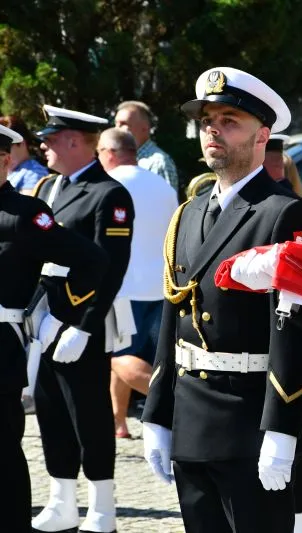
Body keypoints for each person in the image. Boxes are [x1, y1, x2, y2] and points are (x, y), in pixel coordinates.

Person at [141, 66, 302, 533]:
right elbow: (173, 315)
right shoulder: (189, 213)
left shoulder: (285, 213)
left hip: (250, 421)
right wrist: (157, 414)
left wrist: (282, 428)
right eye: (206, 121)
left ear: (262, 136)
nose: (213, 131)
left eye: (229, 121)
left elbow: (295, 331)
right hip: (191, 419)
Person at [31, 105, 135, 533]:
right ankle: (61, 501)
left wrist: (83, 325)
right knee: (50, 410)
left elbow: (111, 267)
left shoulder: (108, 194)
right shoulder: (48, 187)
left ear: (75, 141)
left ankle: (102, 507)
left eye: (51, 140)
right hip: (45, 315)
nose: (44, 147)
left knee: (88, 414)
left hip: (81, 318)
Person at [0, 124, 108, 533]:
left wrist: (59, 314)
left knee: (3, 455)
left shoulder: (24, 214)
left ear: (5, 161)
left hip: (1, 348)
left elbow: (91, 260)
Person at [96, 127, 178, 439]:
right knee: (131, 355)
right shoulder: (162, 185)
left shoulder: (109, 184)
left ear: (110, 153)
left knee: (117, 359)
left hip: (123, 287)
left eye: (99, 152)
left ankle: (178, 406)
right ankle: (118, 421)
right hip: (159, 286)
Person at [114, 100, 179, 190]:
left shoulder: (158, 163)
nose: (116, 130)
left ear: (144, 127)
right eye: (116, 124)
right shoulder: (119, 160)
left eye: (123, 124)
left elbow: (164, 198)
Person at [0, 115, 49, 195]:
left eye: (6, 149)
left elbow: (27, 202)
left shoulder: (35, 172)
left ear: (21, 143)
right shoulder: (10, 170)